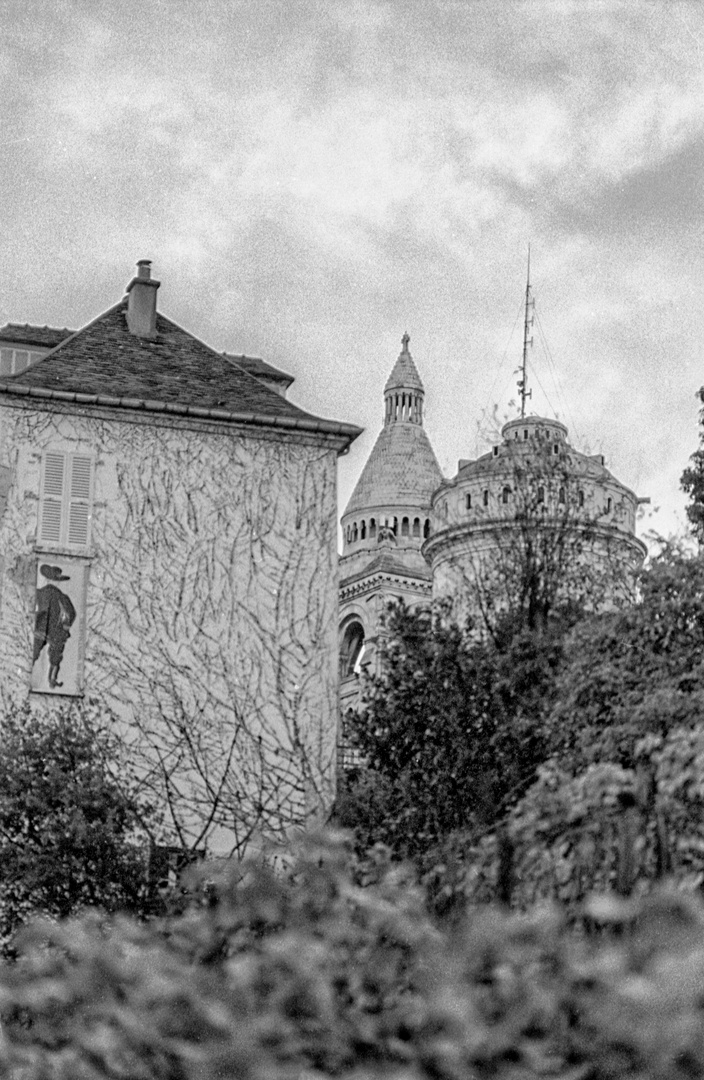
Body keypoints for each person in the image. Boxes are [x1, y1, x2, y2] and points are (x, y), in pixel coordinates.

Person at [33, 564, 76, 689]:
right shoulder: (61, 597)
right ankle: (52, 680)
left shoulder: (39, 593)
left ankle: (51, 680)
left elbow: (70, 614)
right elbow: (71, 613)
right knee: (54, 656)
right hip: (53, 632)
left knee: (38, 653)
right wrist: (64, 628)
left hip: (42, 630)